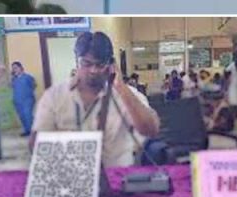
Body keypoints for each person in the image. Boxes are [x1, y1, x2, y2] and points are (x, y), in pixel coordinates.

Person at [31, 31, 160, 168]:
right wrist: (70, 142)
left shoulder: (126, 94)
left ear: (111, 64)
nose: (93, 70)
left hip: (116, 174)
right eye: (86, 63)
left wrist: (121, 87)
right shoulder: (55, 95)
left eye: (100, 65)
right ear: (76, 60)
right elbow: (35, 144)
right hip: (69, 171)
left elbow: (151, 130)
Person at [10, 62, 36, 136]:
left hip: (27, 100)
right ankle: (27, 130)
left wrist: (28, 93)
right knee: (22, 116)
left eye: (16, 67)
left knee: (28, 115)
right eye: (13, 68)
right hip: (17, 101)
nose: (14, 69)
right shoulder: (14, 79)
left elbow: (33, 86)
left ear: (20, 67)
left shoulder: (28, 77)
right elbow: (12, 87)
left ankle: (33, 131)